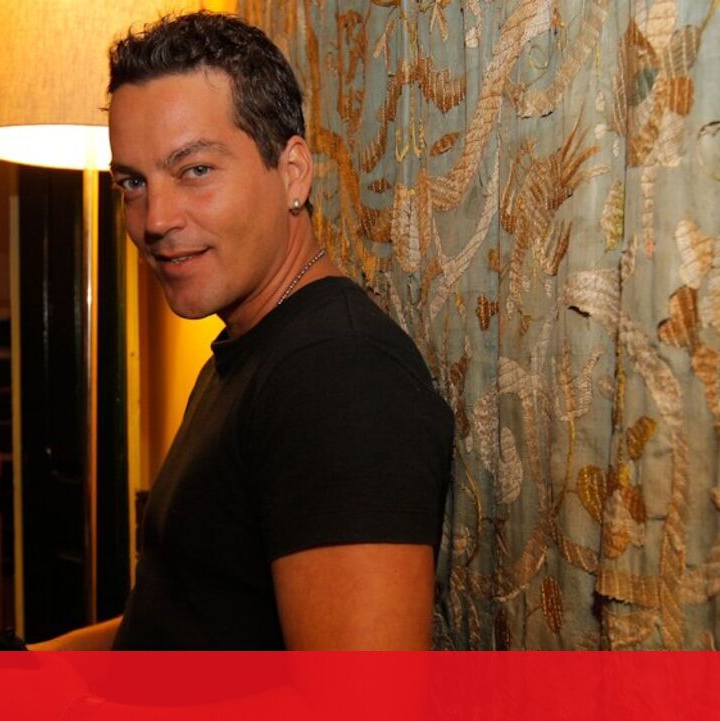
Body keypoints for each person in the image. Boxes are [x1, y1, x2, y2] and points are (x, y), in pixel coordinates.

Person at [30, 11, 454, 651]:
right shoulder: (250, 352)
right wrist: (32, 669)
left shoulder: (339, 376)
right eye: (133, 183)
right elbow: (183, 622)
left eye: (195, 170)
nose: (155, 219)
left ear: (293, 172)